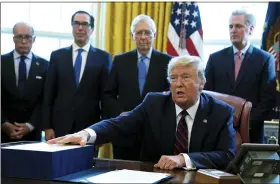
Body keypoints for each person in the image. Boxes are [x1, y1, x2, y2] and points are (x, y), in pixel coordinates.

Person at [48, 55, 236, 171]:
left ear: (202, 82)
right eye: (173, 78)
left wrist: (183, 159)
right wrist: (86, 134)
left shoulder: (221, 112)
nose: (178, 83)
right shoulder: (154, 103)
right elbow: (119, 124)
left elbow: (227, 155)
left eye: (185, 77)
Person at [103, 14, 172, 161]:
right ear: (132, 36)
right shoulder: (120, 60)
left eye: (147, 32)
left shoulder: (167, 61)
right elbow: (108, 94)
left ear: (154, 35)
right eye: (139, 32)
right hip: (125, 133)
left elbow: (172, 96)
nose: (143, 37)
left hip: (155, 134)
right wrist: (120, 114)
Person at [204, 9, 276, 143]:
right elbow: (207, 95)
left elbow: (268, 100)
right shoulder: (215, 58)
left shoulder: (265, 59)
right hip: (217, 132)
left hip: (251, 134)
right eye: (230, 26)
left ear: (251, 29)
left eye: (238, 26)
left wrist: (244, 123)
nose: (233, 30)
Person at [43, 10, 112, 141]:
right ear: (72, 27)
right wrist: (47, 127)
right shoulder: (57, 56)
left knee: (86, 162)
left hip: (89, 129)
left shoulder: (103, 57)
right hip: (59, 126)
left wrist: (103, 131)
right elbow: (48, 94)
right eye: (76, 24)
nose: (80, 28)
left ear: (91, 29)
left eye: (85, 24)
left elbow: (106, 98)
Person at [1, 22, 48, 142]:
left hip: (32, 134)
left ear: (34, 39)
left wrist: (30, 125)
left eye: (27, 37)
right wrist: (3, 123)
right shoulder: (2, 62)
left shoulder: (45, 65)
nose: (23, 41)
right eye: (19, 37)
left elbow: (45, 100)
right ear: (13, 39)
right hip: (3, 133)